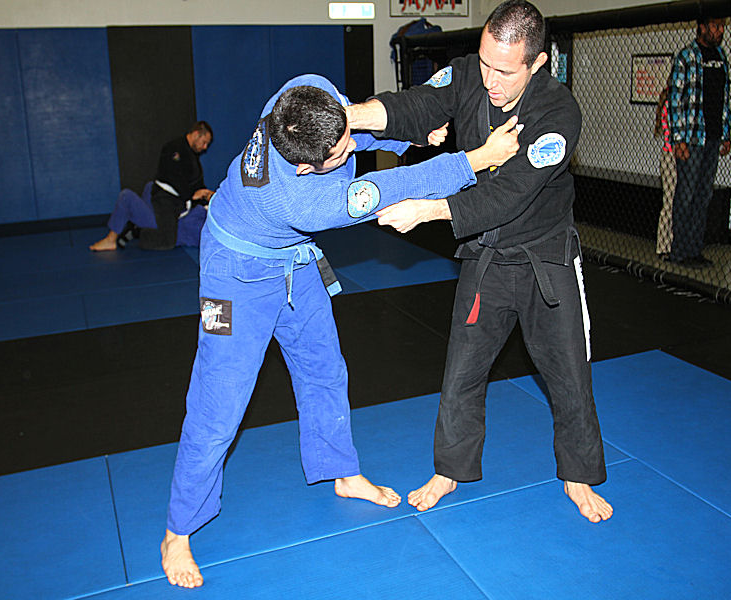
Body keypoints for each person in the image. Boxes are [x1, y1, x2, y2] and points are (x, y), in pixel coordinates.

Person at [161, 74, 520, 589]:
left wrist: (408, 135)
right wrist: (480, 159)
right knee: (219, 405)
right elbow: (398, 187)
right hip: (235, 275)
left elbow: (352, 118)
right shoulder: (303, 202)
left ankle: (342, 473)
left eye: (345, 136)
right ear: (307, 168)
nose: (350, 147)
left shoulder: (299, 94)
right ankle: (177, 532)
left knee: (324, 368)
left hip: (292, 259)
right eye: (339, 153)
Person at [347, 0, 613, 524]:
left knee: (569, 373)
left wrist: (427, 209)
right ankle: (451, 469)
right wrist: (346, 117)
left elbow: (508, 194)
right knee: (462, 372)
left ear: (537, 63)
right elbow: (416, 106)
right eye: (486, 62)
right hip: (486, 256)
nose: (489, 79)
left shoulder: (558, 113)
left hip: (545, 260)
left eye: (505, 70)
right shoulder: (469, 74)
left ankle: (578, 474)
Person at [89, 122, 215, 251]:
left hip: (172, 200)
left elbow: (196, 183)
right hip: (164, 199)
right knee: (167, 240)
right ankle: (111, 239)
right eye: (204, 142)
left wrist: (207, 194)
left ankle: (138, 228)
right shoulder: (173, 148)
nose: (205, 147)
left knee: (162, 225)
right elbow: (173, 177)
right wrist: (191, 195)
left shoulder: (193, 157)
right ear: (196, 134)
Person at [667, 14, 731, 268]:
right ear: (702, 27)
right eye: (715, 26)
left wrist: (726, 133)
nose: (720, 30)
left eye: (722, 26)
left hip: (713, 136)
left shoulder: (721, 57)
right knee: (686, 195)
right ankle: (679, 251)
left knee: (703, 196)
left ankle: (695, 250)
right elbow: (675, 99)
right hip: (692, 138)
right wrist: (678, 139)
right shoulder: (687, 57)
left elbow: (724, 98)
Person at [654, 85, 676, 259]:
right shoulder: (671, 104)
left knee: (676, 203)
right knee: (669, 203)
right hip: (671, 156)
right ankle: (663, 246)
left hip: (679, 158)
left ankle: (675, 243)